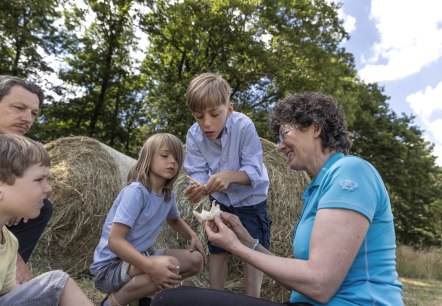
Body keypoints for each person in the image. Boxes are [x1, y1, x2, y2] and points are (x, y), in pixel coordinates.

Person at [151, 92, 404, 306]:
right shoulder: (316, 189)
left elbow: (319, 284)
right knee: (173, 298)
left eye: (284, 134)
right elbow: (301, 274)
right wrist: (246, 240)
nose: (279, 147)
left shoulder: (350, 171)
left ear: (316, 128)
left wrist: (236, 248)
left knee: (172, 302)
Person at [90, 133, 204, 306]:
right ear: (148, 158)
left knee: (195, 260)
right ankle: (113, 302)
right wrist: (151, 267)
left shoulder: (168, 194)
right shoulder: (137, 192)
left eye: (177, 158)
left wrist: (193, 236)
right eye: (165, 156)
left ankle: (145, 296)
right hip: (109, 268)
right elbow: (115, 241)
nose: (172, 161)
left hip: (140, 257)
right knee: (169, 265)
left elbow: (173, 220)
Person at [183, 72, 271, 297]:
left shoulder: (244, 126)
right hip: (219, 201)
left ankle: (254, 300)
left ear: (229, 109)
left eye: (214, 114)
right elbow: (197, 170)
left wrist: (229, 176)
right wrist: (200, 188)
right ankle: (215, 299)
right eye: (198, 116)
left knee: (252, 251)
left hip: (251, 201)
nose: (206, 123)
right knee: (217, 248)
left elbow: (254, 172)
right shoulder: (194, 136)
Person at [0, 132, 93, 305]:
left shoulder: (10, 242)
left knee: (58, 282)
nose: (49, 188)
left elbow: (12, 296)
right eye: (39, 180)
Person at [0, 75, 53, 284]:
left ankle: (8, 280)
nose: (28, 119)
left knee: (43, 208)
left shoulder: (26, 149)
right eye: (19, 108)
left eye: (33, 113)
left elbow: (42, 185)